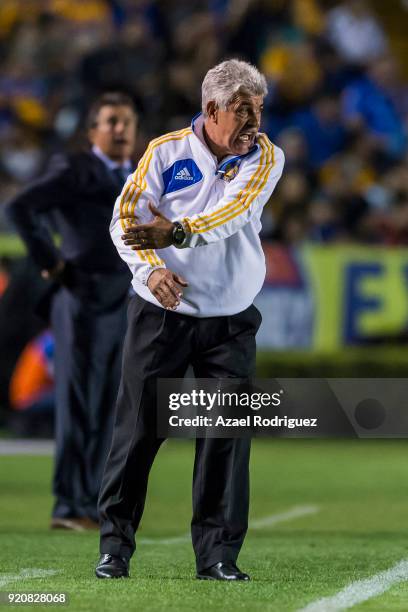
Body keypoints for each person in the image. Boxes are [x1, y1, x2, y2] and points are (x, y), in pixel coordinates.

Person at [95, 60, 285, 579]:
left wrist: (175, 232)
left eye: (259, 110)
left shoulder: (266, 156)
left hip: (231, 321)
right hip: (161, 314)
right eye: (244, 111)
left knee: (226, 438)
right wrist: (153, 271)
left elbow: (236, 212)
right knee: (137, 432)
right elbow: (125, 219)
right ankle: (114, 546)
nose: (255, 122)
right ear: (212, 109)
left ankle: (218, 556)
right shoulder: (165, 151)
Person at [7, 92, 137, 530]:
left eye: (126, 122)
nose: (120, 130)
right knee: (79, 400)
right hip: (81, 294)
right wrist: (53, 263)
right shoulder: (75, 168)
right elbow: (20, 207)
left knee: (109, 403)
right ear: (92, 132)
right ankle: (68, 504)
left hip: (123, 295)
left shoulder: (138, 175)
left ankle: (94, 501)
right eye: (111, 122)